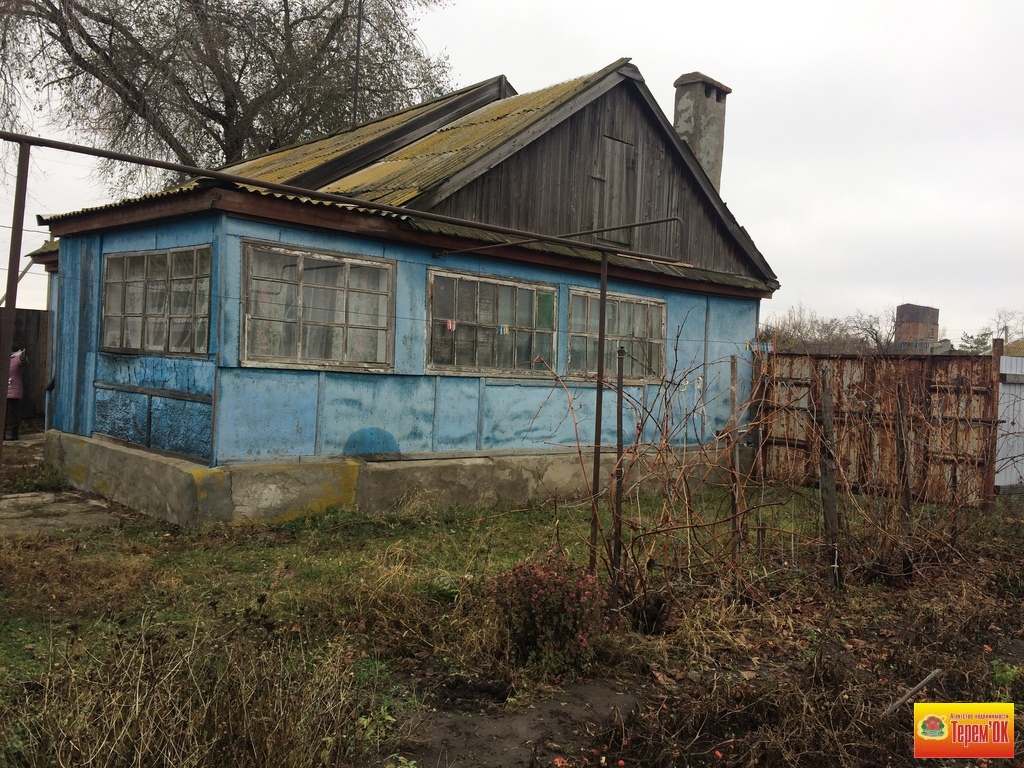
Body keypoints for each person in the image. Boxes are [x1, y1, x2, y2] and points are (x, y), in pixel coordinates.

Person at [7, 346, 27, 441]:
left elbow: (23, 361)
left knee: (13, 413)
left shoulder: (17, 359)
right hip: (4, 390)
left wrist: (23, 356)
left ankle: (14, 434)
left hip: (14, 391)